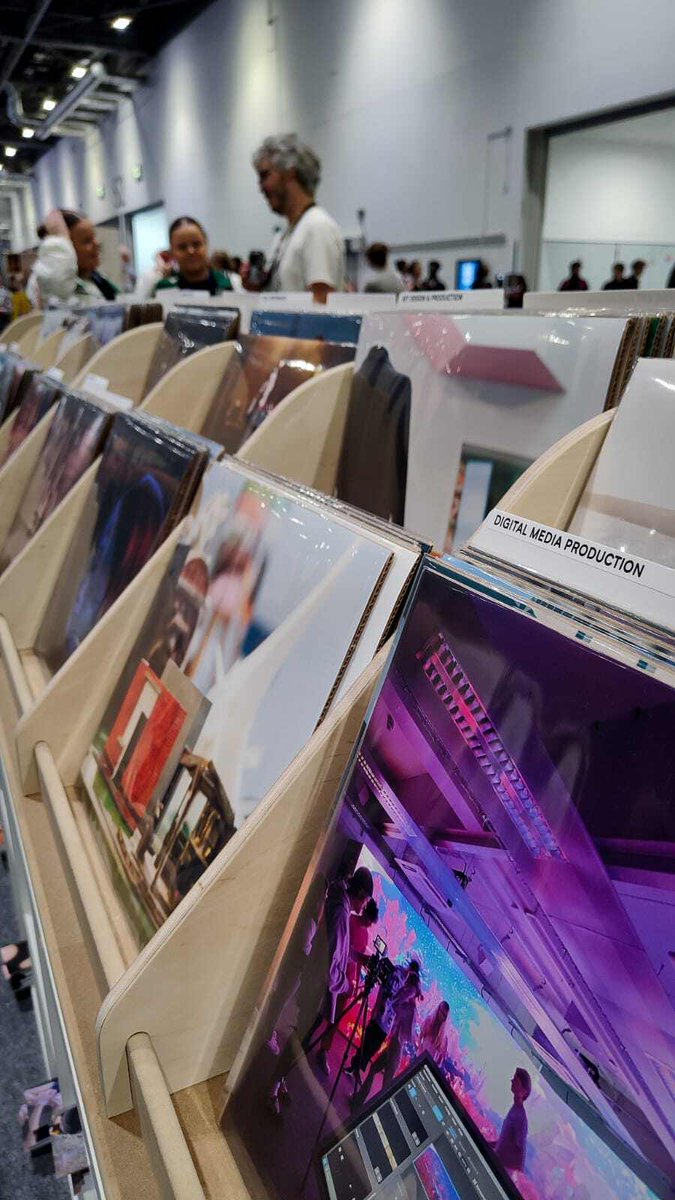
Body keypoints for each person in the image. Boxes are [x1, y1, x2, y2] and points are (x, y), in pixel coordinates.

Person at [268, 866, 374, 1115]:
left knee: (300, 1040)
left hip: (316, 986)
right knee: (299, 1042)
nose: (365, 905)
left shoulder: (340, 903)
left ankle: (279, 1080)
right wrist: (346, 985)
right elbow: (330, 965)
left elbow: (337, 951)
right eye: (366, 899)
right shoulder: (341, 912)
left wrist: (358, 957)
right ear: (360, 893)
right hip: (318, 990)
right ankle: (271, 1088)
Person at [252, 133, 344, 302]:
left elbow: (322, 303)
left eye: (265, 176)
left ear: (290, 173)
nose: (261, 188)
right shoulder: (288, 233)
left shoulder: (317, 227)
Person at [316, 896, 379, 1074]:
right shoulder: (349, 920)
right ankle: (306, 1037)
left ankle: (323, 1051)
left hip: (347, 983)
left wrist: (357, 983)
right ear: (365, 913)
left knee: (335, 1020)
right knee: (321, 1011)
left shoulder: (365, 935)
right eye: (368, 920)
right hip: (336, 974)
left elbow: (358, 960)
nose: (368, 925)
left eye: (371, 923)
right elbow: (343, 951)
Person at [351, 960, 423, 1105]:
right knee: (374, 1069)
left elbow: (407, 1035)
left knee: (385, 1087)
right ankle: (358, 1101)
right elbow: (395, 1000)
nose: (406, 989)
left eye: (409, 989)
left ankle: (364, 1106)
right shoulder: (406, 1004)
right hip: (392, 1046)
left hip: (396, 1048)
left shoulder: (410, 1009)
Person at [27, 208, 118, 307]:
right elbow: (59, 292)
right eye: (87, 241)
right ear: (68, 249)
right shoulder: (47, 281)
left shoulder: (96, 278)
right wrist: (60, 242)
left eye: (94, 237)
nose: (96, 244)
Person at [154, 217, 240, 295]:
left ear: (206, 244)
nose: (191, 251)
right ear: (172, 252)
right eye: (182, 247)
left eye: (196, 244)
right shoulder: (164, 289)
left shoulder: (231, 282)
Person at [492, 1068, 531, 1175]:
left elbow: (519, 1151)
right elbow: (505, 1143)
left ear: (524, 1091)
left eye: (516, 1080)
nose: (512, 1081)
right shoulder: (514, 1109)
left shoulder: (520, 1116)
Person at [418, 1000, 450, 1065]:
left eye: (444, 1015)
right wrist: (420, 1050)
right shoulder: (428, 1021)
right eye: (441, 1011)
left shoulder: (443, 1037)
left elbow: (442, 1056)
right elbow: (420, 1036)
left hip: (429, 1063)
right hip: (419, 1057)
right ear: (438, 1009)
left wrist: (434, 1065)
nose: (441, 1015)